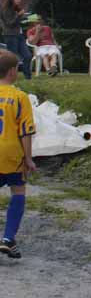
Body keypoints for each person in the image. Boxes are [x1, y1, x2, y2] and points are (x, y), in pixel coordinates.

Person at [0, 49, 36, 259]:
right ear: (13, 71)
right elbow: (25, 131)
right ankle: (8, 238)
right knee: (18, 191)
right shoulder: (19, 97)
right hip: (11, 153)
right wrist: (28, 158)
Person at [1, 0, 31, 81]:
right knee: (13, 58)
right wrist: (19, 15)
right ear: (12, 0)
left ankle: (27, 76)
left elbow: (19, 22)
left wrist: (28, 18)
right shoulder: (6, 10)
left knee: (27, 56)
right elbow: (9, 24)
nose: (19, 0)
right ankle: (10, 76)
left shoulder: (17, 9)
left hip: (19, 35)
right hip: (10, 35)